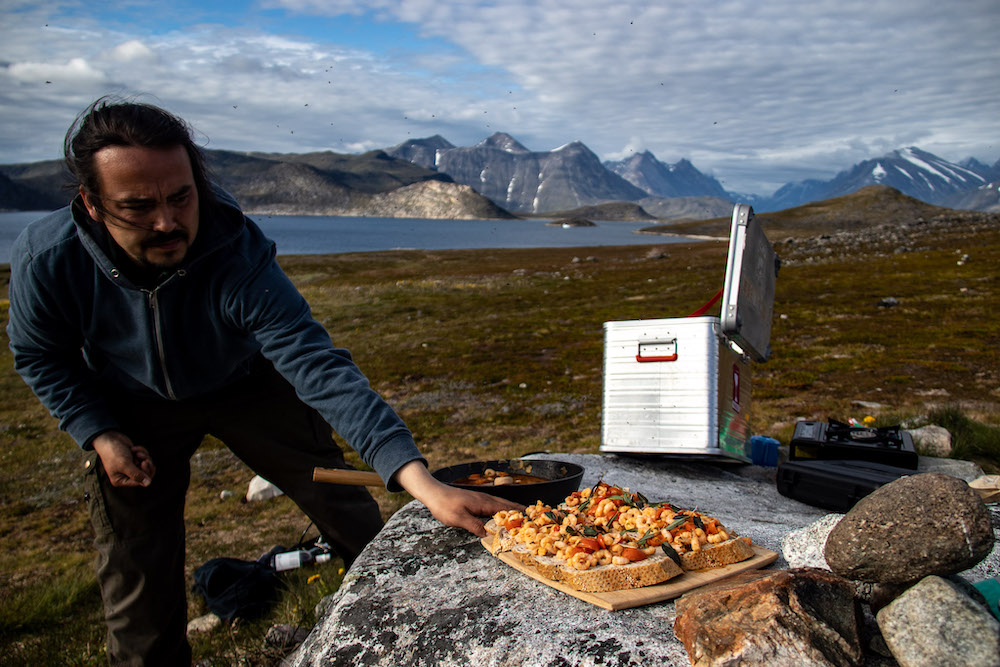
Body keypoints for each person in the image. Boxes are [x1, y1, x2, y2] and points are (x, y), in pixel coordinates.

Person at [6, 97, 517, 665]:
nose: (168, 222)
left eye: (181, 197)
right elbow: (38, 353)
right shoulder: (49, 258)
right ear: (92, 204)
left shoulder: (233, 248)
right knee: (136, 572)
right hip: (132, 405)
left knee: (345, 506)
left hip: (249, 386)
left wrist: (420, 482)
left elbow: (315, 362)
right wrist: (97, 431)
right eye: (137, 207)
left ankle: (403, 631)